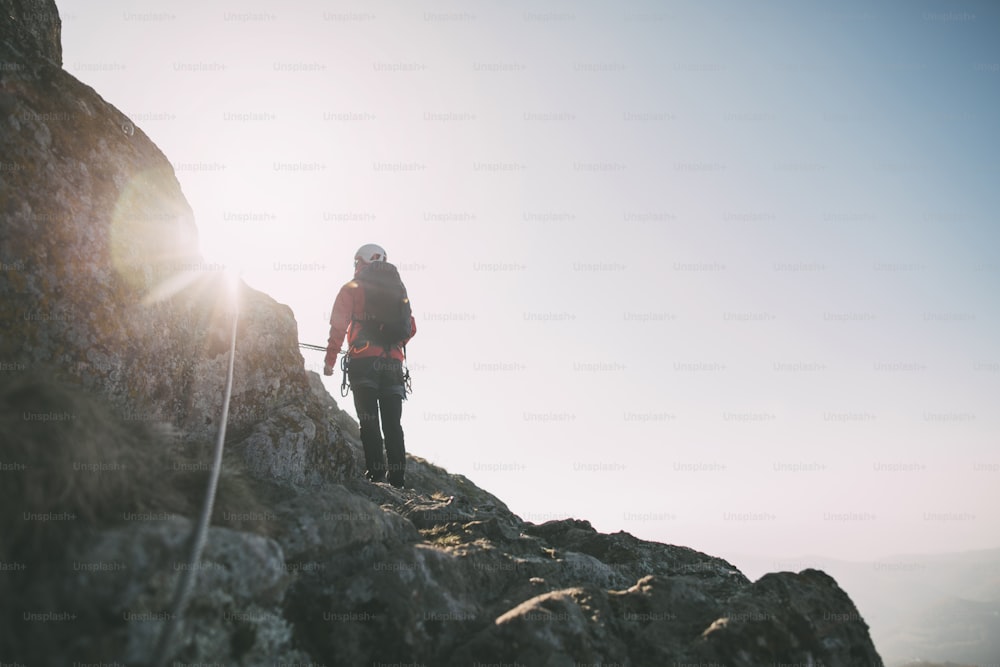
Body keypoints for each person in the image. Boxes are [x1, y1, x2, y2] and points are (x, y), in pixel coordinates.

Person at [324, 243, 416, 488]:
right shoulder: (398, 287)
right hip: (393, 365)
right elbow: (411, 327)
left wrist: (330, 360)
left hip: (364, 361)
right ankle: (397, 480)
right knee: (392, 424)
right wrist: (393, 343)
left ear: (362, 260)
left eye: (356, 262)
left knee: (369, 420)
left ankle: (376, 476)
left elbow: (338, 325)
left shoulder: (353, 287)